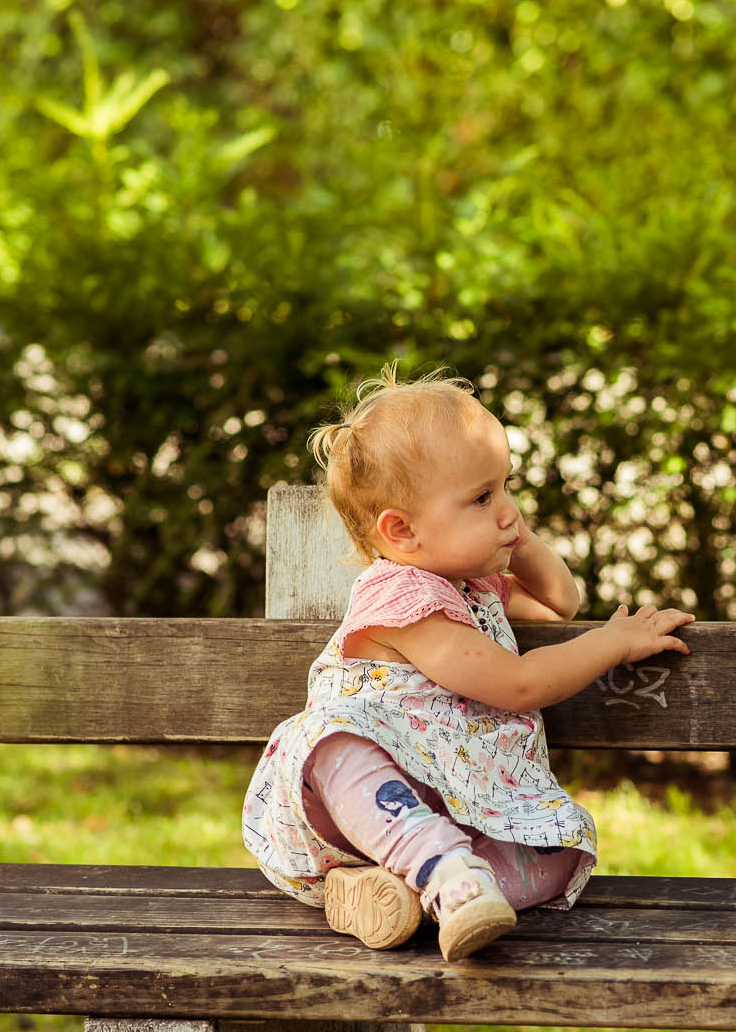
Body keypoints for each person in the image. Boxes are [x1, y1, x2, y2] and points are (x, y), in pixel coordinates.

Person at [242, 369, 693, 962]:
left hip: (458, 801)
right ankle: (443, 868)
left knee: (559, 849)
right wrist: (613, 643)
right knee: (330, 741)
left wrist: (516, 534)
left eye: (506, 486)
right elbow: (519, 683)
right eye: (482, 498)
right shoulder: (404, 602)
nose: (507, 509)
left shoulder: (469, 585)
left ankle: (414, 893)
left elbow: (562, 604)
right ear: (401, 531)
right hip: (369, 804)